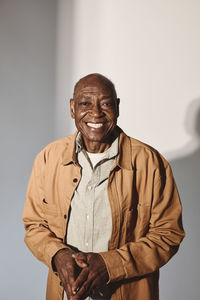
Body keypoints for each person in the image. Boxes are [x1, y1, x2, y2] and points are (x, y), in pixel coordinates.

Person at [22, 73, 185, 300]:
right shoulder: (48, 159)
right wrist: (57, 255)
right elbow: (34, 225)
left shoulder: (150, 163)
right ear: (72, 108)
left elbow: (168, 234)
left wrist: (109, 265)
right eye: (85, 104)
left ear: (117, 108)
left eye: (106, 104)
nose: (96, 113)